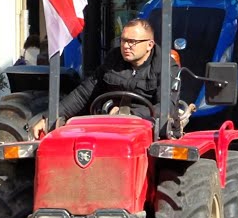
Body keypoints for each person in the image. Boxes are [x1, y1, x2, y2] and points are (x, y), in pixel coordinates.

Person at [30, 19, 186, 138]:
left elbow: (166, 107)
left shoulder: (165, 66)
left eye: (132, 42)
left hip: (149, 132)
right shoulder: (113, 59)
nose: (125, 46)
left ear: (149, 45)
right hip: (109, 128)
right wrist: (50, 117)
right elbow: (84, 93)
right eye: (123, 40)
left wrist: (129, 114)